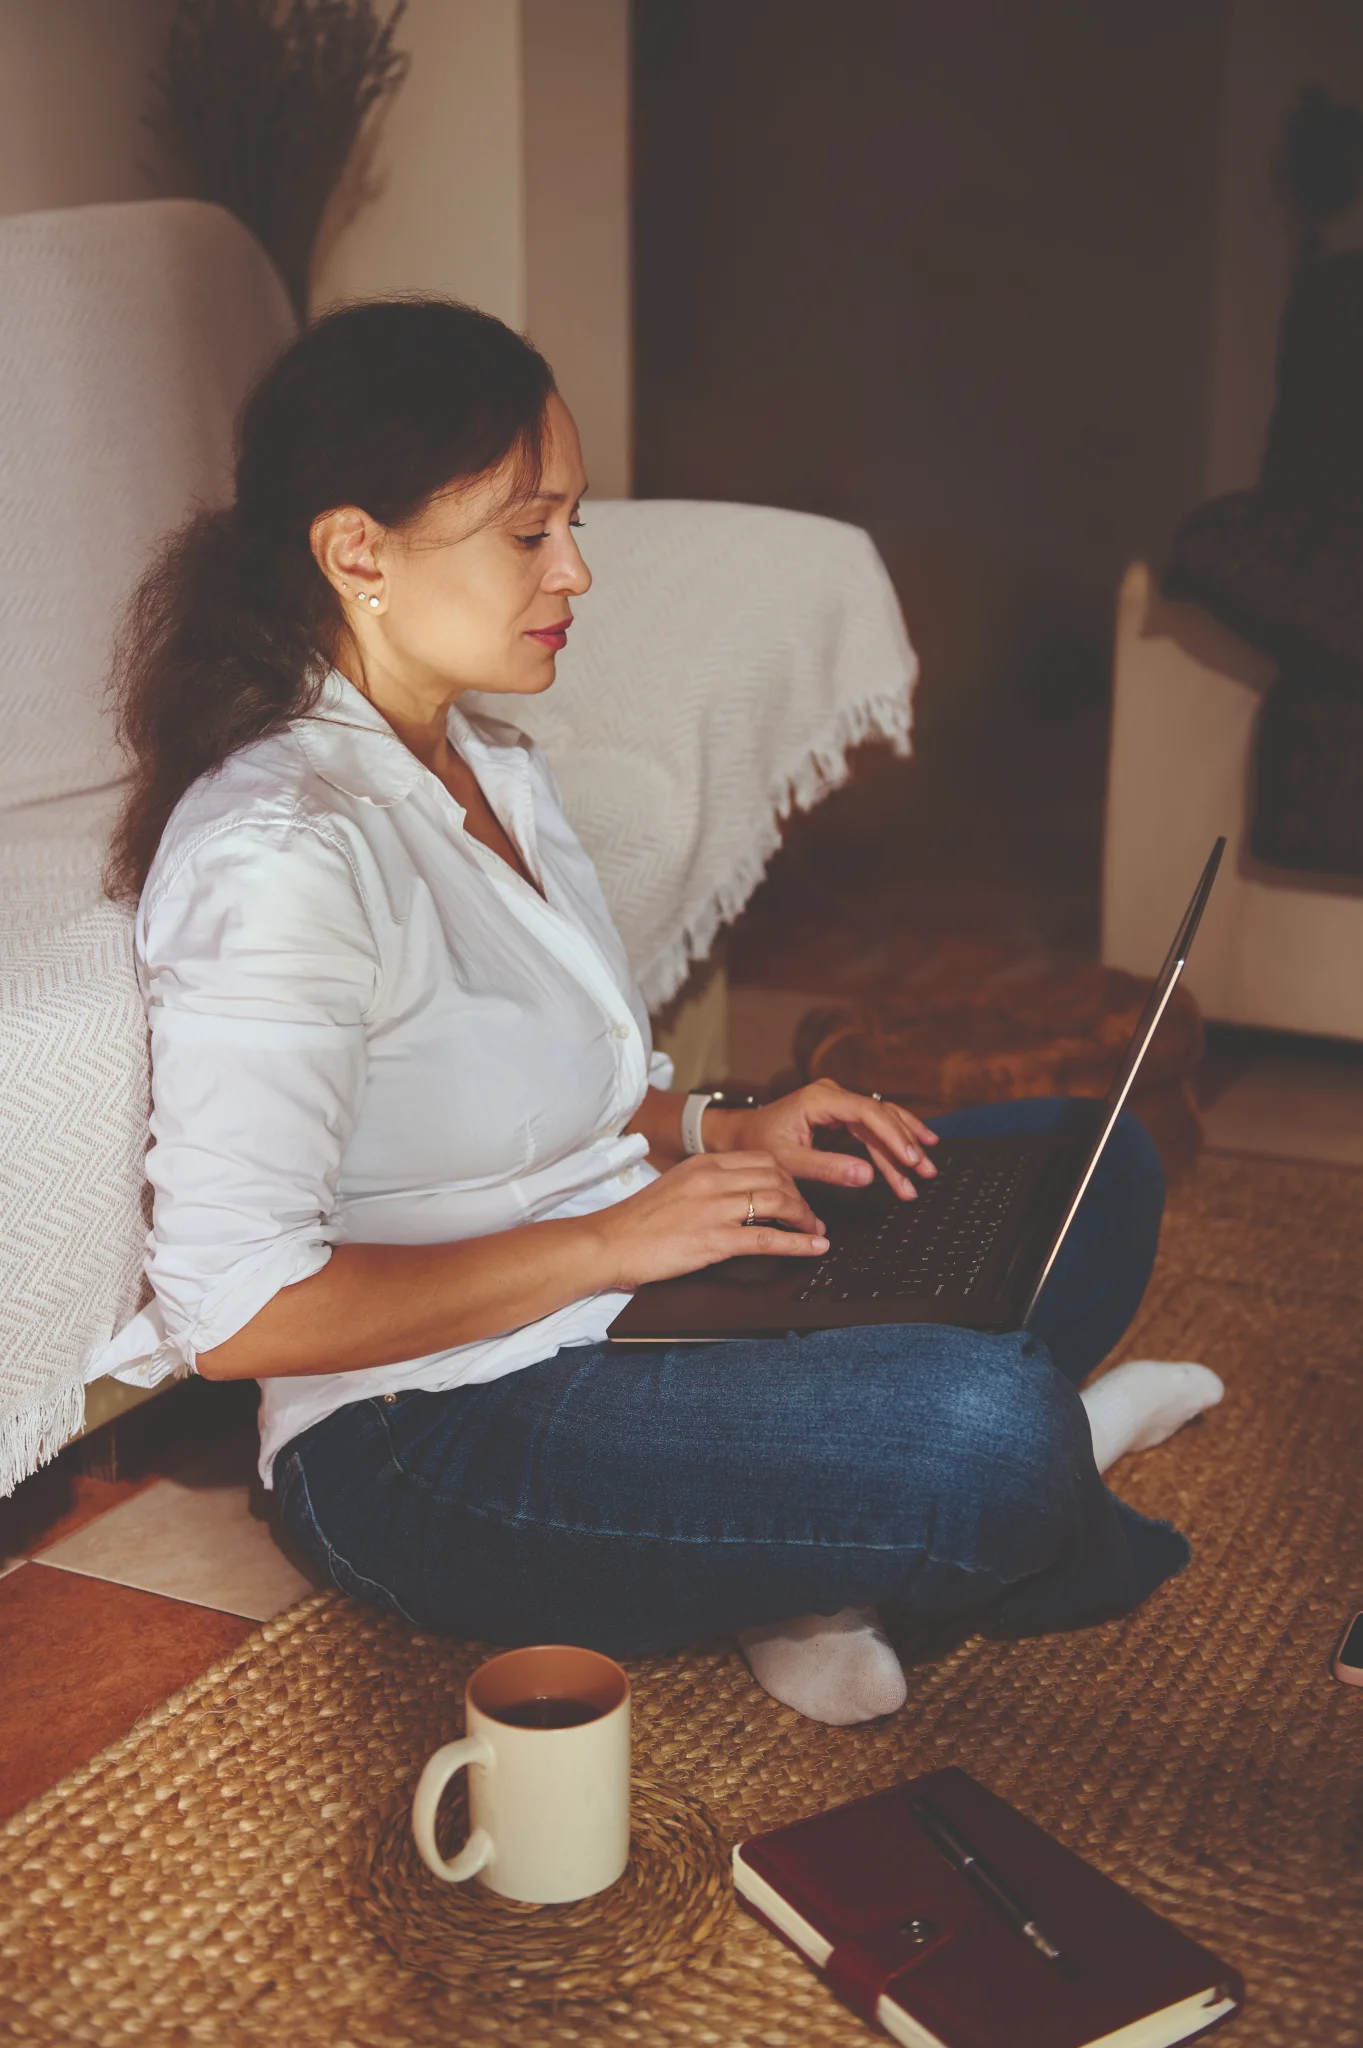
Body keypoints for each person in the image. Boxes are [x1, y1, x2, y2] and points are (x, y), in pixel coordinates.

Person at [97, 300, 1223, 1726]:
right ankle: (1015, 1475)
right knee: (985, 1435)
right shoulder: (276, 855)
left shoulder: (489, 766)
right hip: (427, 1432)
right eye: (528, 532)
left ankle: (796, 1559)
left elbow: (522, 1082)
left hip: (638, 1294)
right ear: (356, 551)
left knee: (1091, 1166)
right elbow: (237, 1313)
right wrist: (609, 1243)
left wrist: (720, 1127)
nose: (575, 568)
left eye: (569, 523)